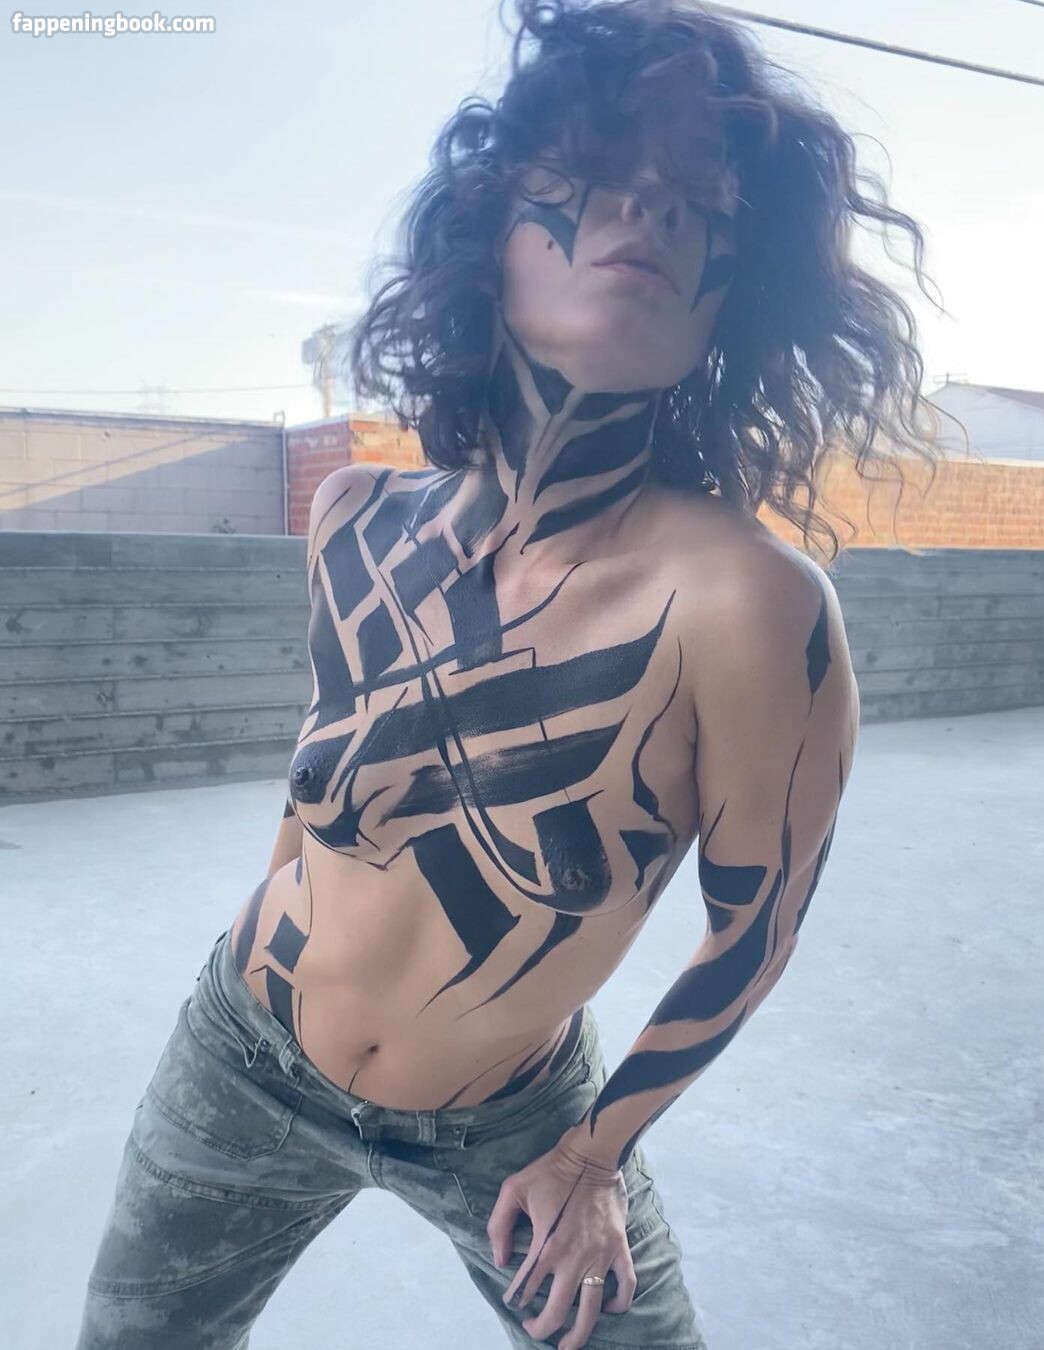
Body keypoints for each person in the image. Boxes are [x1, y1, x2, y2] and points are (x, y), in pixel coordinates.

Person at [75, 2, 945, 1346]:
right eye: (594, 170)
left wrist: (596, 1155)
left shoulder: (749, 606)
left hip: (514, 1124)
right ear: (489, 234)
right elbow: (312, 797)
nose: (650, 207)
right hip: (243, 1049)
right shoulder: (355, 517)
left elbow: (752, 933)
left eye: (700, 197)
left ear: (739, 291)